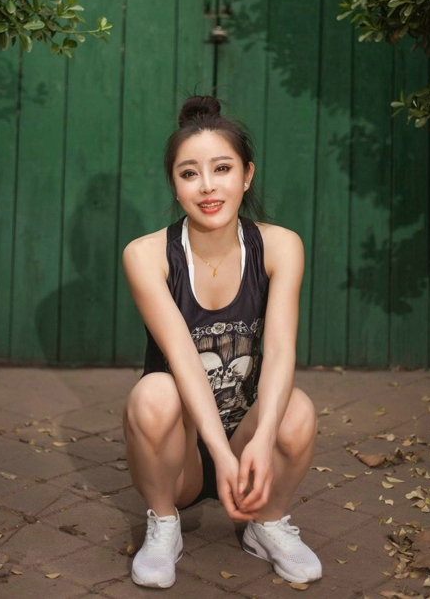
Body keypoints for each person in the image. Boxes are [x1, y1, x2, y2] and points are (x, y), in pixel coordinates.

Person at [122, 95, 321, 589]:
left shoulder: (280, 246)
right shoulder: (147, 255)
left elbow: (280, 351)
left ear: (247, 175)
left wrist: (261, 439)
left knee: (297, 410)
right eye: (190, 173)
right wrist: (219, 453)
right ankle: (164, 524)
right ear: (175, 184)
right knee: (153, 394)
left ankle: (266, 523)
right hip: (184, 449)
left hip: (247, 440)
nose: (208, 186)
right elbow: (183, 358)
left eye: (222, 168)